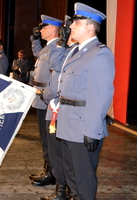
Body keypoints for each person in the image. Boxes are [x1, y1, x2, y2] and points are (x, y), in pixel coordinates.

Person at [56, 3, 115, 200]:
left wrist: (92, 130)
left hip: (83, 127)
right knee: (72, 175)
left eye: (76, 23)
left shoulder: (100, 53)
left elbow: (101, 95)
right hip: (67, 124)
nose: (71, 26)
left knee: (84, 180)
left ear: (90, 26)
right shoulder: (74, 51)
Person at [38, 36, 78, 200]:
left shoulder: (71, 55)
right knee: (57, 153)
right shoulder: (69, 54)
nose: (64, 38)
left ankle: (65, 191)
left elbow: (55, 80)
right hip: (55, 110)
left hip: (60, 111)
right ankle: (62, 190)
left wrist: (45, 94)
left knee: (61, 155)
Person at [29, 15, 63, 187]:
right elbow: (36, 53)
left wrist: (46, 94)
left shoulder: (57, 48)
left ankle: (52, 173)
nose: (40, 30)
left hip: (48, 98)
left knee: (49, 138)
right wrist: (35, 39)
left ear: (52, 29)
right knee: (44, 137)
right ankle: (47, 170)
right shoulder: (47, 48)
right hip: (41, 97)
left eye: (43, 28)